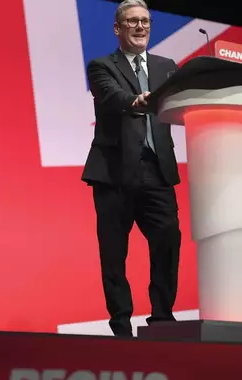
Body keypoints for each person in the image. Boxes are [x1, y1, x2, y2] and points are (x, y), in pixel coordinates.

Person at [81, 0, 182, 337]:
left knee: (168, 240)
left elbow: (184, 100)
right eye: (133, 21)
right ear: (117, 28)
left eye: (146, 21)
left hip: (157, 171)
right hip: (114, 173)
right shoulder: (101, 65)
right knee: (114, 253)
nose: (141, 27)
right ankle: (121, 326)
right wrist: (135, 101)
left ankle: (163, 318)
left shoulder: (167, 65)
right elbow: (111, 97)